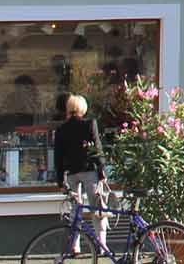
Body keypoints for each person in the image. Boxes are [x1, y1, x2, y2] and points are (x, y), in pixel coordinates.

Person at [52, 94, 107, 251]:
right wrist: (102, 169)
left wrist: (60, 179)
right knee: (97, 209)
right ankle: (101, 245)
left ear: (69, 109)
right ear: (83, 109)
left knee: (75, 211)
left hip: (71, 173)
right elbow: (97, 149)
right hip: (89, 171)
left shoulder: (61, 130)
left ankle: (74, 246)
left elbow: (58, 156)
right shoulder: (90, 124)